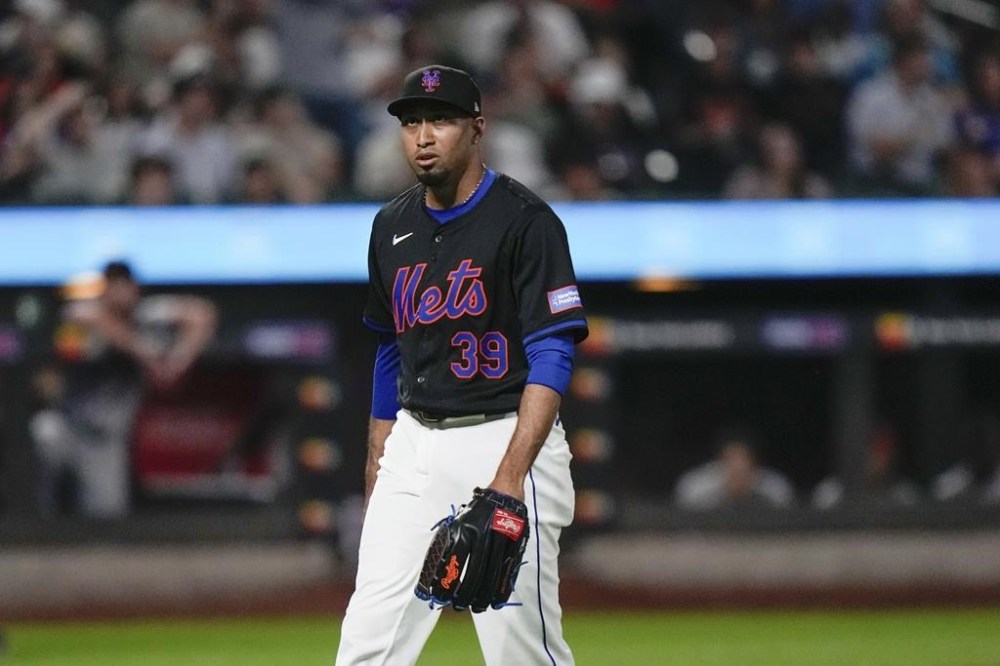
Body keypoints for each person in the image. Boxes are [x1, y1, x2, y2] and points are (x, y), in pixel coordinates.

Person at [336, 65, 588, 665]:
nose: (423, 136)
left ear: (477, 128)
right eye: (411, 121)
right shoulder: (391, 225)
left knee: (521, 653)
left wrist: (508, 478)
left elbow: (553, 350)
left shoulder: (526, 222)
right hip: (414, 445)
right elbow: (391, 347)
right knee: (366, 645)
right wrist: (379, 460)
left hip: (505, 437)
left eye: (441, 120)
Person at [30, 259, 217, 518]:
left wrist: (177, 362)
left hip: (105, 441)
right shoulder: (90, 312)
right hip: (67, 426)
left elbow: (201, 313)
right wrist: (145, 353)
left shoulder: (145, 313)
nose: (118, 292)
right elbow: (88, 317)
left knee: (106, 514)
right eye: (112, 285)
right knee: (43, 436)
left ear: (134, 288)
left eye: (124, 285)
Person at [674, 426, 795, 510]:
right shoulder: (696, 485)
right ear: (719, 460)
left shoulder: (774, 486)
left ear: (754, 462)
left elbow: (785, 506)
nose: (738, 466)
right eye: (731, 459)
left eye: (743, 459)